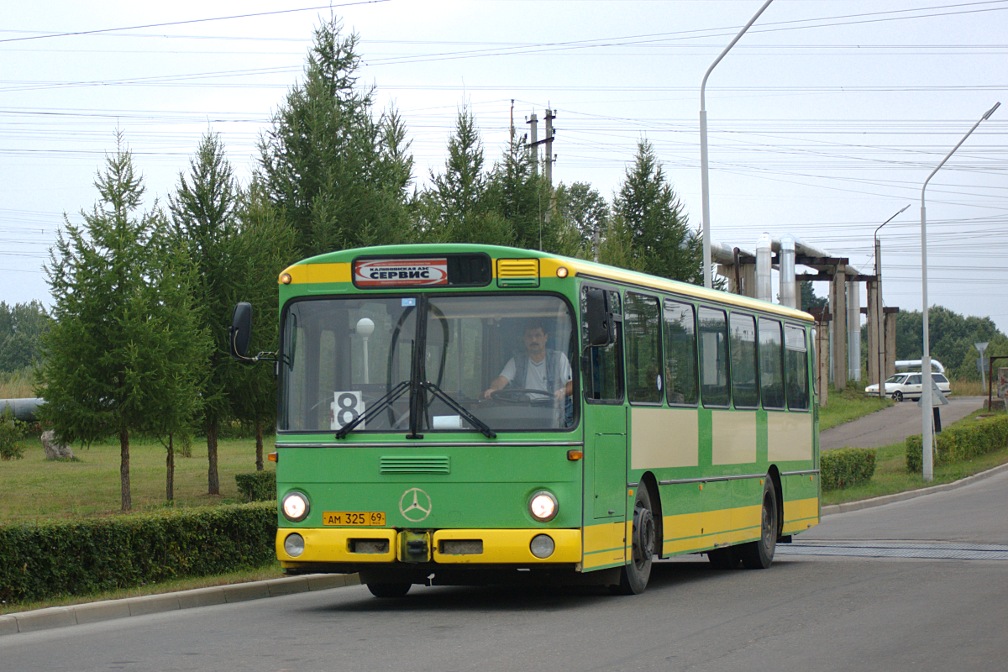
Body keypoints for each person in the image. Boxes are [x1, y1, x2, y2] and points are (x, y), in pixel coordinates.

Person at [483, 321, 572, 402]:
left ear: (545, 338)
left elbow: (572, 384)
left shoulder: (559, 358)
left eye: (538, 335)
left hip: (553, 414)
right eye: (529, 336)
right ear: (524, 339)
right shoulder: (516, 361)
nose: (534, 340)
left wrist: (562, 391)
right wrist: (494, 389)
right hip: (524, 411)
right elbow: (502, 380)